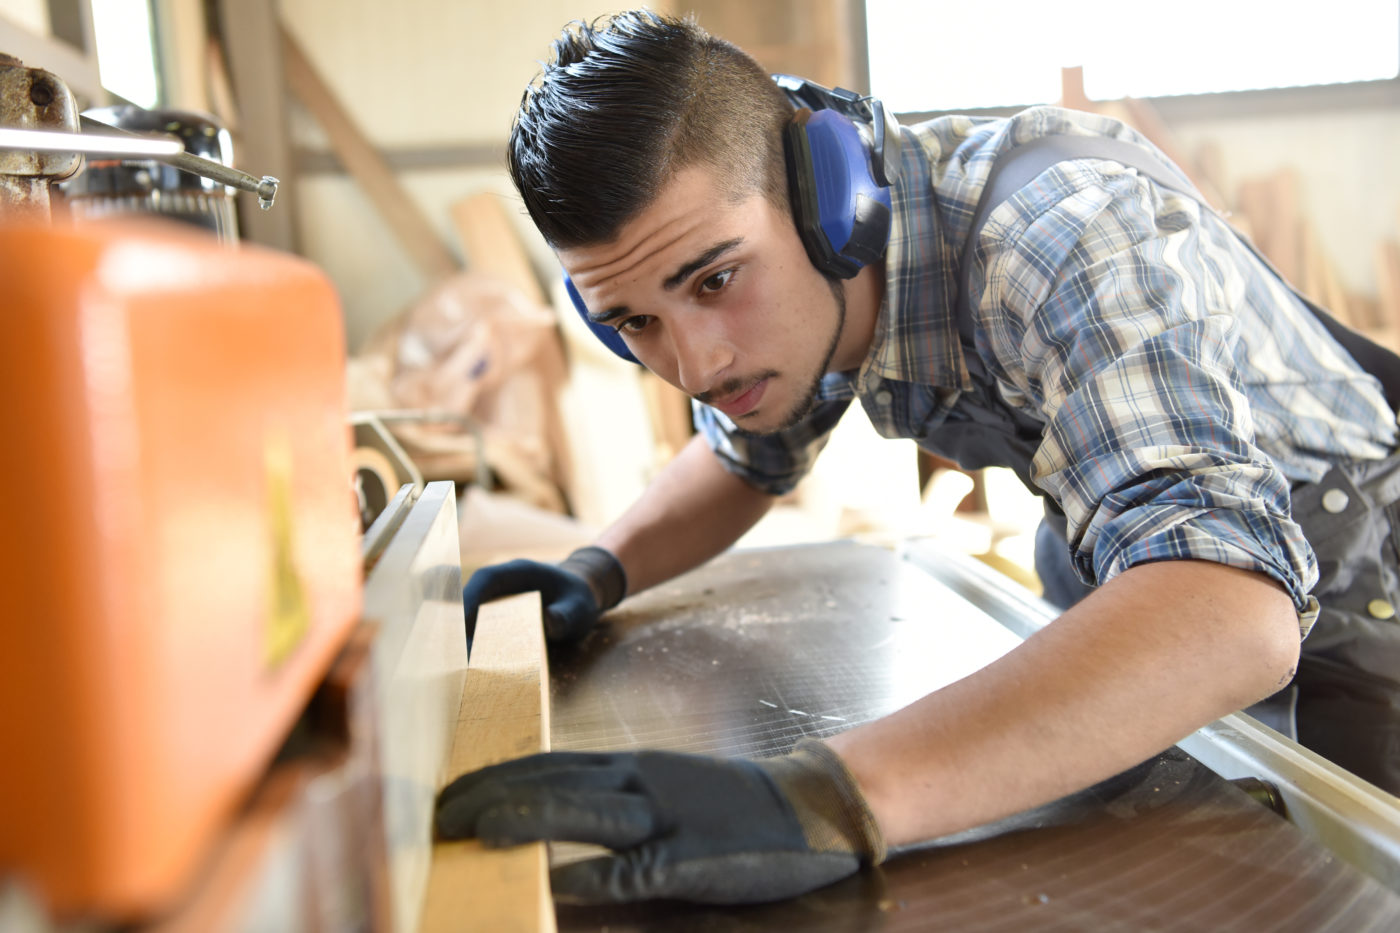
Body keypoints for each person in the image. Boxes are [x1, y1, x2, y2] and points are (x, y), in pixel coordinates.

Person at [435, 9, 1400, 905]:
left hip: (1363, 572)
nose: (695, 362)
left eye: (717, 279)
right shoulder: (806, 297)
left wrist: (824, 796)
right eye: (635, 321)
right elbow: (744, 459)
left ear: (829, 198)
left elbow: (1231, 611)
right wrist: (593, 572)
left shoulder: (1056, 233)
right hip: (1154, 554)